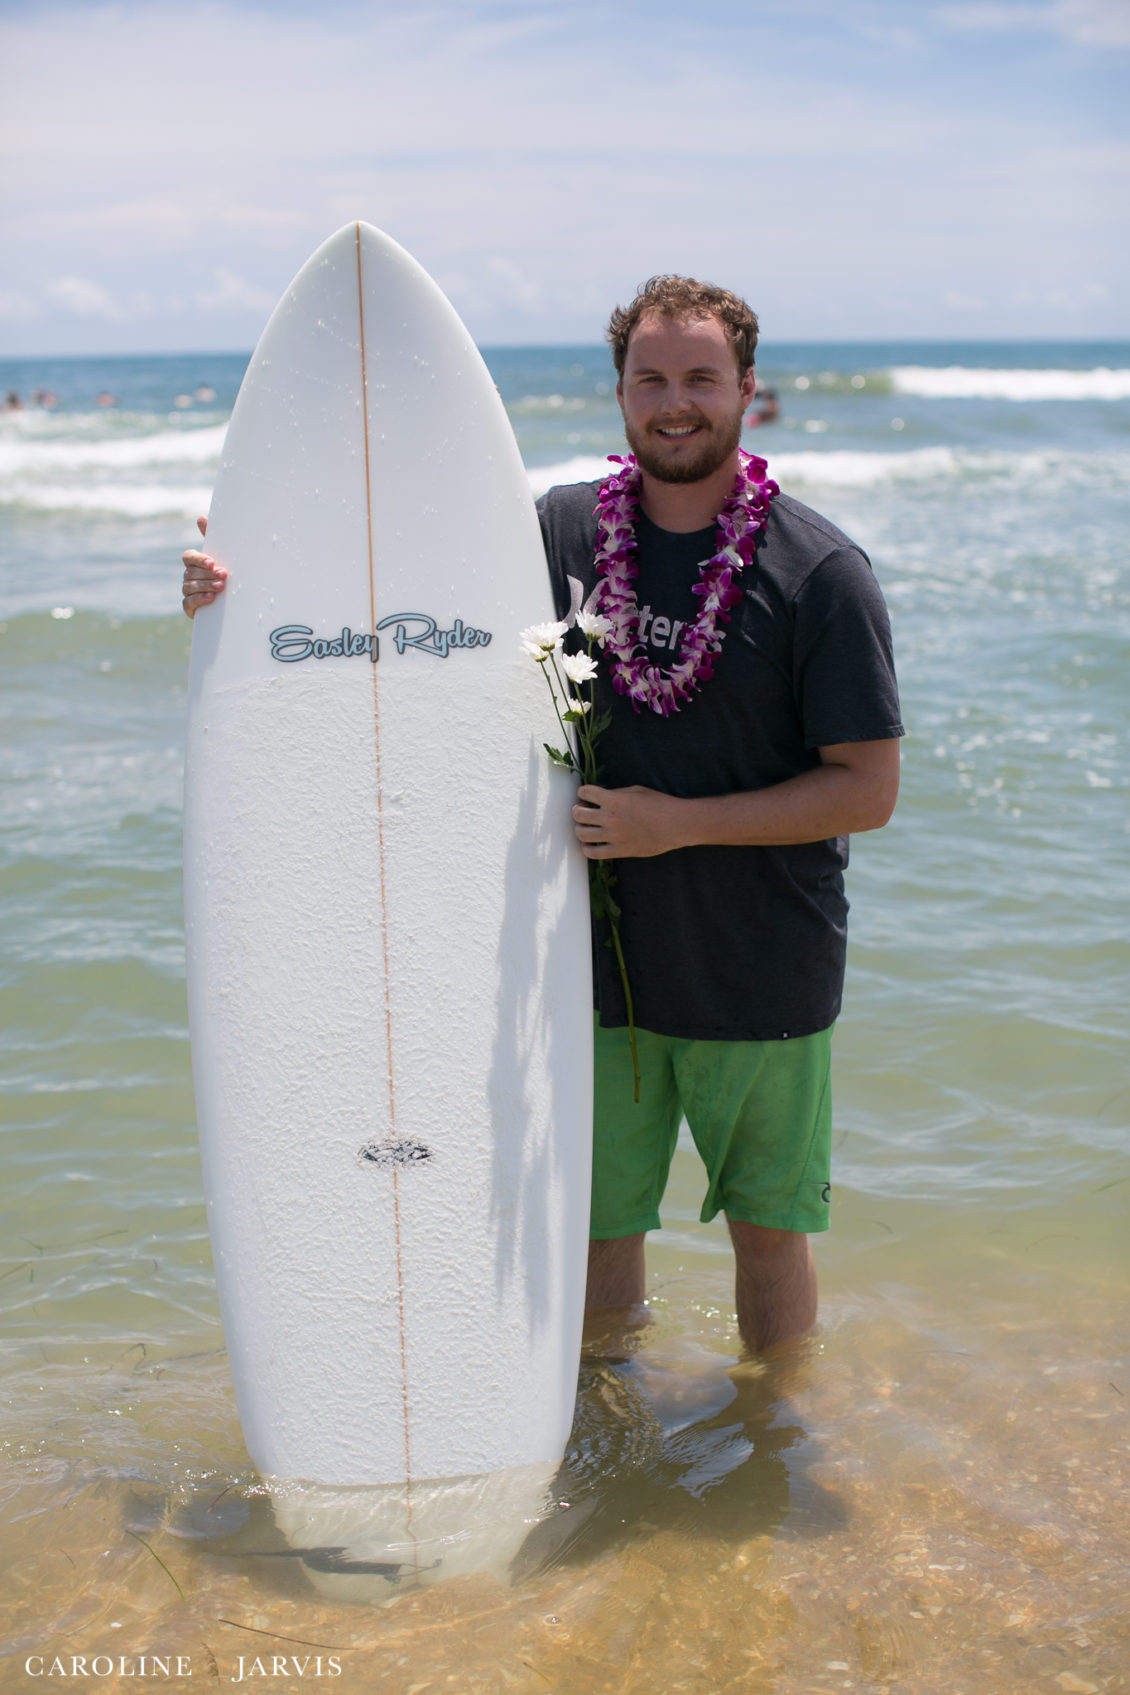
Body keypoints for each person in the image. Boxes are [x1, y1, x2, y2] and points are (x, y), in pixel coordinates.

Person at [181, 274, 902, 1358]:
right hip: (582, 971)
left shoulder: (819, 573)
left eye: (700, 378)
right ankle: (610, 1433)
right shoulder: (557, 532)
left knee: (767, 1235)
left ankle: (773, 1438)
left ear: (747, 389)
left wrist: (677, 824)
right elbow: (406, 611)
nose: (674, 402)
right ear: (619, 392)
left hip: (762, 966)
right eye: (649, 378)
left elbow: (866, 788)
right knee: (594, 1236)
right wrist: (249, 582)